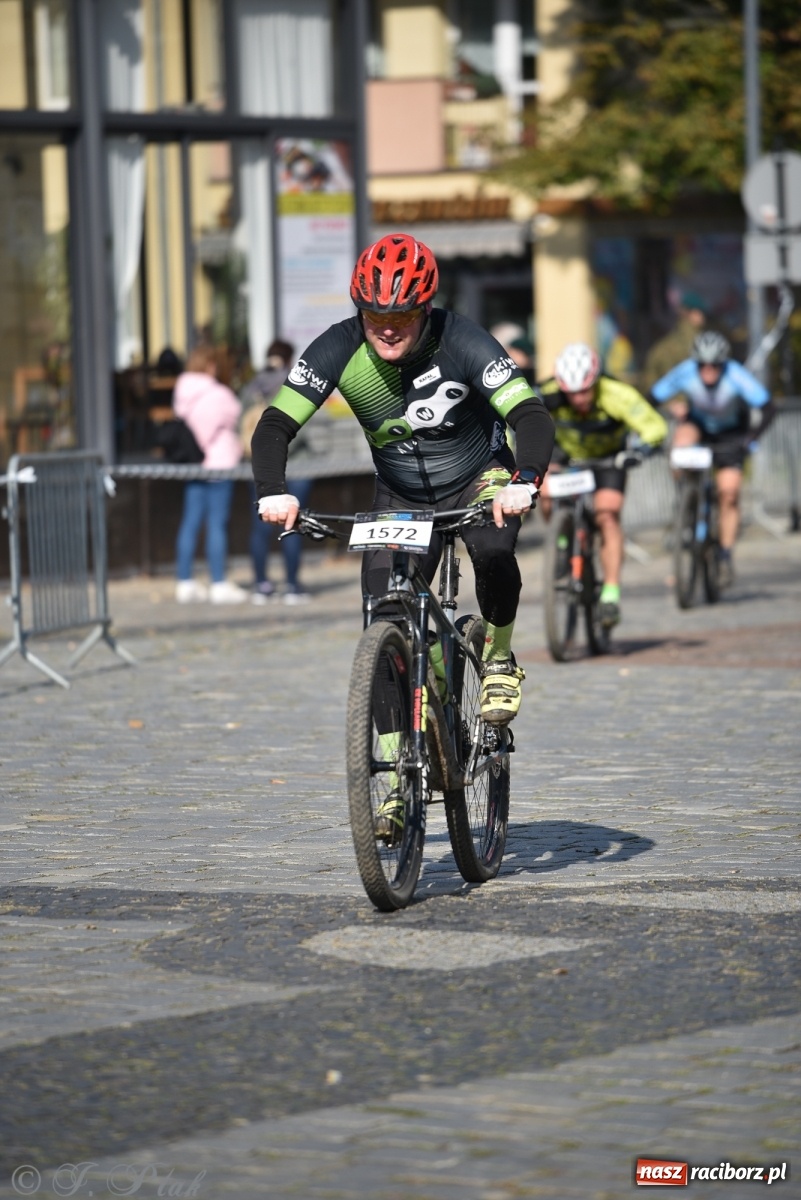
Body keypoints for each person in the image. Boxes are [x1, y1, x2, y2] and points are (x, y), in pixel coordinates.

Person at [252, 232, 555, 734]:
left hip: (480, 477)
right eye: (376, 318)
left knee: (493, 549)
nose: (388, 331)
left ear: (426, 308)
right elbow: (274, 425)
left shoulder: (462, 338)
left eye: (402, 318)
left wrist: (523, 481)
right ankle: (392, 782)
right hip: (401, 492)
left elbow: (530, 413)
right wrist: (271, 490)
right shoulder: (339, 346)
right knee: (384, 617)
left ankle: (499, 658)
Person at [538, 342, 669, 628]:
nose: (579, 399)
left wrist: (641, 449)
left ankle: (610, 594)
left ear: (596, 381)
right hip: (569, 459)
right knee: (544, 491)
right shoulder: (546, 395)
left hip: (610, 461)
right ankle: (561, 540)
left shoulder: (617, 394)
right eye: (571, 393)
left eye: (585, 391)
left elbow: (654, 426)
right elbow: (521, 423)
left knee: (607, 513)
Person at [650, 330, 774, 587]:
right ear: (695, 363)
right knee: (680, 444)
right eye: (702, 365)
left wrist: (751, 438)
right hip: (699, 428)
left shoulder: (735, 375)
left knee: (728, 493)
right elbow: (651, 398)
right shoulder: (685, 372)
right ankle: (688, 497)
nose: (708, 370)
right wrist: (669, 410)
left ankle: (725, 554)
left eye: (714, 365)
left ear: (723, 363)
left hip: (731, 434)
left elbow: (768, 407)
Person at [240, 339, 313, 604]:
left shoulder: (252, 387)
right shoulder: (297, 381)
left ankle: (261, 585)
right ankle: (292, 586)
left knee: (260, 526)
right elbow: (310, 426)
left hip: (261, 467)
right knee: (292, 524)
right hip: (299, 464)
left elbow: (242, 422)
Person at [173, 343, 247, 604]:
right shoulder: (218, 394)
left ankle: (185, 581)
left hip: (194, 464)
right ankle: (218, 582)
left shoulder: (182, 391)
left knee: (190, 522)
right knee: (217, 523)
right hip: (219, 464)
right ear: (210, 366)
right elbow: (235, 415)